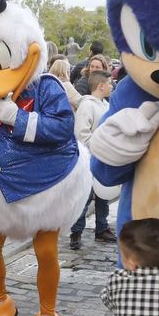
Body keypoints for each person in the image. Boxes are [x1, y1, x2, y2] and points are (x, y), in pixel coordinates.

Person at [71, 73, 115, 249]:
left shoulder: (107, 105)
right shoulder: (87, 105)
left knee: (104, 194)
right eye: (110, 83)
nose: (112, 86)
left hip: (104, 157)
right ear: (101, 86)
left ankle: (102, 227)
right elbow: (82, 133)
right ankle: (76, 231)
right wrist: (97, 148)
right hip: (90, 158)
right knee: (86, 195)